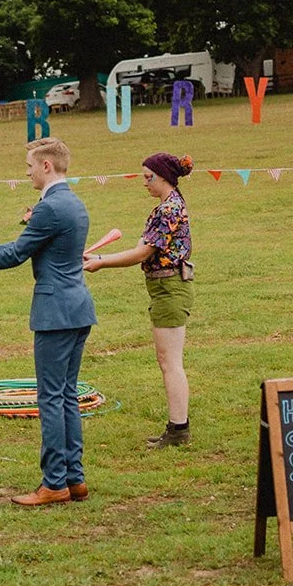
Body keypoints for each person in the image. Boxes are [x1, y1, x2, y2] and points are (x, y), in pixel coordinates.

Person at [0, 137, 96, 505]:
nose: (26, 172)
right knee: (66, 398)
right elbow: (25, 244)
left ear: (46, 166)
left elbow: (16, 255)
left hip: (55, 313)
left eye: (29, 165)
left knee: (51, 399)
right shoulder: (73, 203)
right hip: (78, 308)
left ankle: (54, 484)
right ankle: (74, 480)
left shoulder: (50, 207)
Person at [83, 152, 195, 449]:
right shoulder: (164, 207)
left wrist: (102, 262)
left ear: (165, 178)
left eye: (149, 177)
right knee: (167, 360)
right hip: (164, 287)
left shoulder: (169, 209)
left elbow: (142, 254)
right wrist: (99, 256)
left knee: (170, 361)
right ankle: (176, 427)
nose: (145, 183)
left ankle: (179, 430)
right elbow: (141, 247)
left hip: (170, 288)